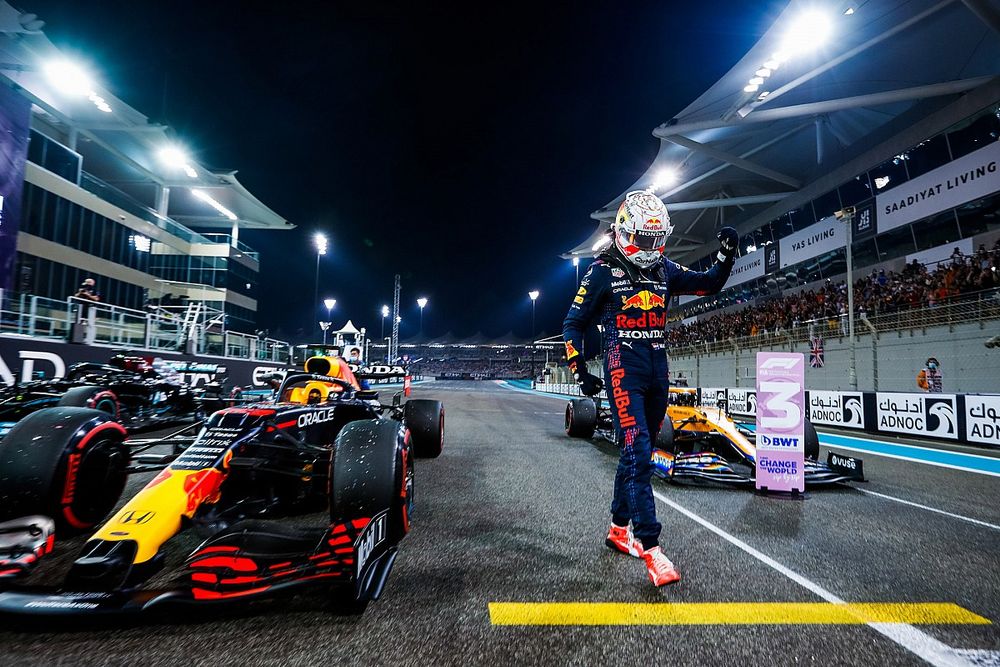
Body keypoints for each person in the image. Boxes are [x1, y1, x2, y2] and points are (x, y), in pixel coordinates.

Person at [562, 189, 737, 587]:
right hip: (623, 366)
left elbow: (709, 283)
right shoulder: (603, 270)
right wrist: (579, 369)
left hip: (659, 368)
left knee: (637, 452)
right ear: (625, 232)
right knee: (640, 451)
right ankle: (652, 548)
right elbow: (573, 323)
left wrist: (726, 255)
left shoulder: (664, 268)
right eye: (643, 239)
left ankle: (618, 529)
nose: (651, 247)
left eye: (657, 240)